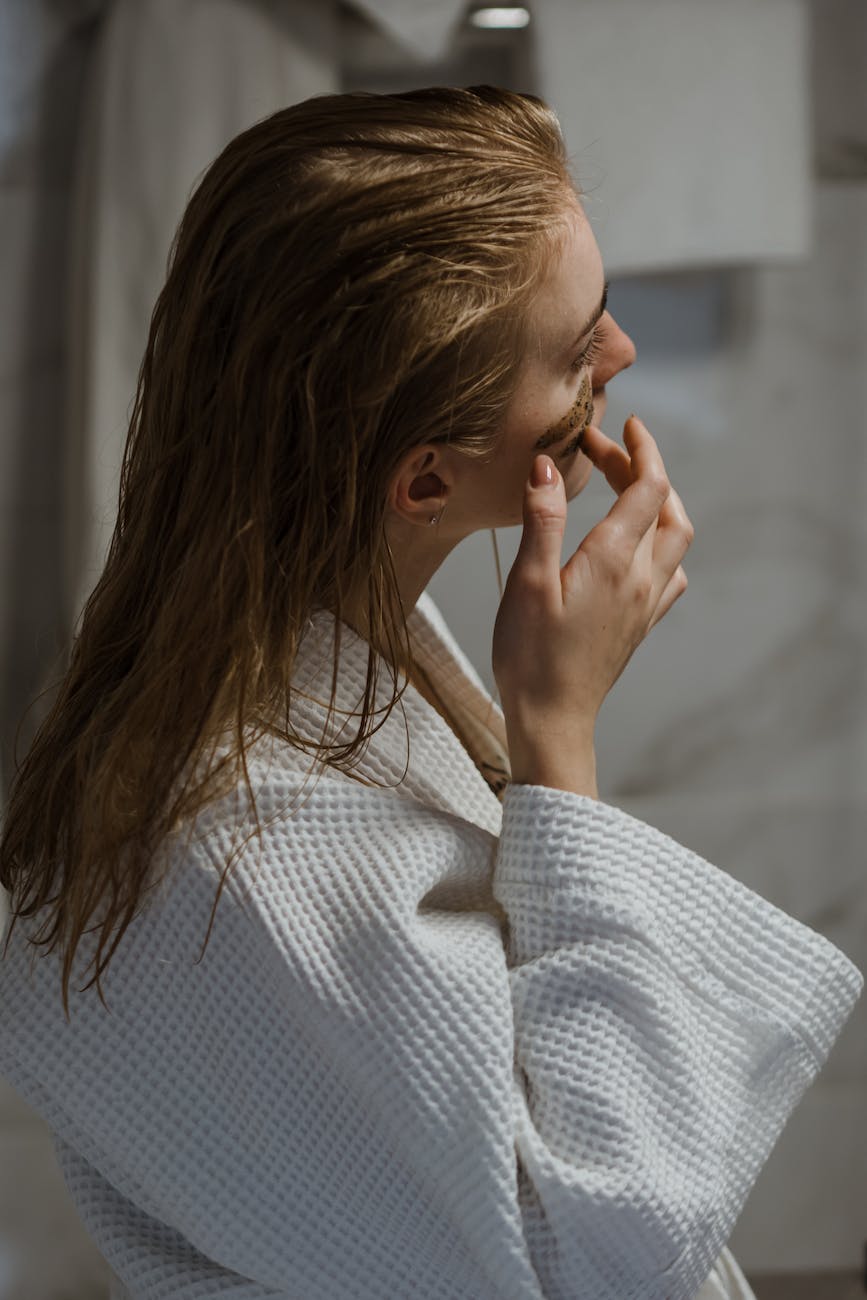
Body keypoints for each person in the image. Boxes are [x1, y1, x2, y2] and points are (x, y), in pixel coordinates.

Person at [0, 85, 861, 1300]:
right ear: (423, 482)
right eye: (577, 348)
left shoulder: (284, 643)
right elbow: (597, 1265)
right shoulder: (252, 855)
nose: (619, 356)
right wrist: (557, 734)